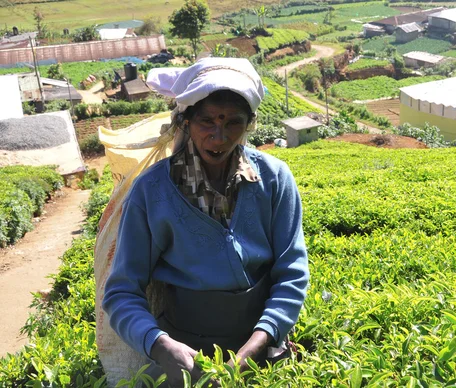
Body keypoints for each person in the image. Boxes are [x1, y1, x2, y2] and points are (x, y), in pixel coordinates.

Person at [102, 58, 310, 387]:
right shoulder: (152, 191)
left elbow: (292, 274)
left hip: (261, 349)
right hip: (182, 359)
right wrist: (160, 345)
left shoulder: (274, 179)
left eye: (233, 123)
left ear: (250, 124)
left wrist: (254, 348)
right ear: (186, 121)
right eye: (206, 121)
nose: (219, 136)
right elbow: (121, 292)